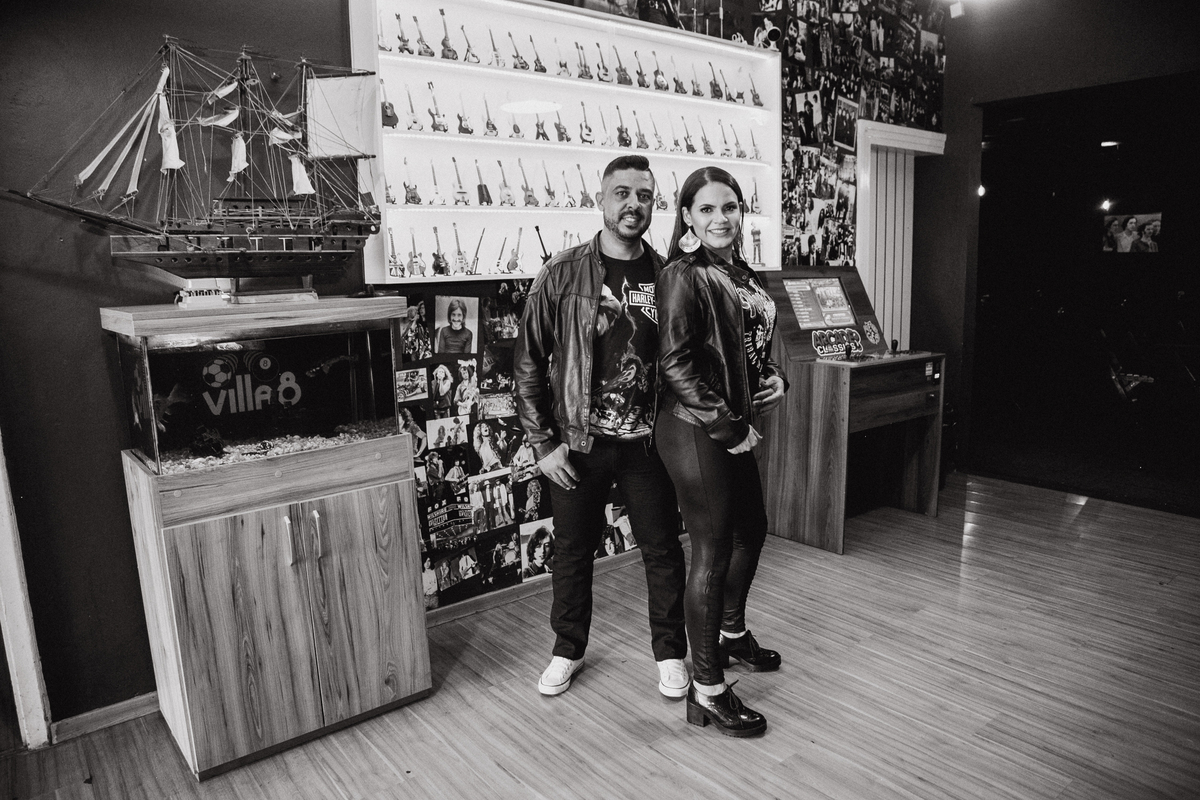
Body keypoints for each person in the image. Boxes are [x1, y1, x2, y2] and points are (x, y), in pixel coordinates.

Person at [514, 154, 689, 700]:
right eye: (622, 193)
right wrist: (543, 443)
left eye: (644, 195)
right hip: (578, 443)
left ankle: (670, 653)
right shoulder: (562, 273)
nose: (633, 204)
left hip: (648, 443)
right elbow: (527, 362)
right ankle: (567, 649)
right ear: (601, 201)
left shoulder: (669, 275)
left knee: (663, 549)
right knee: (572, 552)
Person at [655, 166, 788, 738]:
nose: (720, 218)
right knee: (711, 551)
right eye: (706, 209)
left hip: (731, 422)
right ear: (687, 216)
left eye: (729, 207)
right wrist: (728, 426)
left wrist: (777, 378)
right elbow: (675, 363)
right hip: (695, 426)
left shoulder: (741, 272)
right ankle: (706, 689)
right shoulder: (682, 274)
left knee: (751, 530)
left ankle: (730, 635)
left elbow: (749, 346)